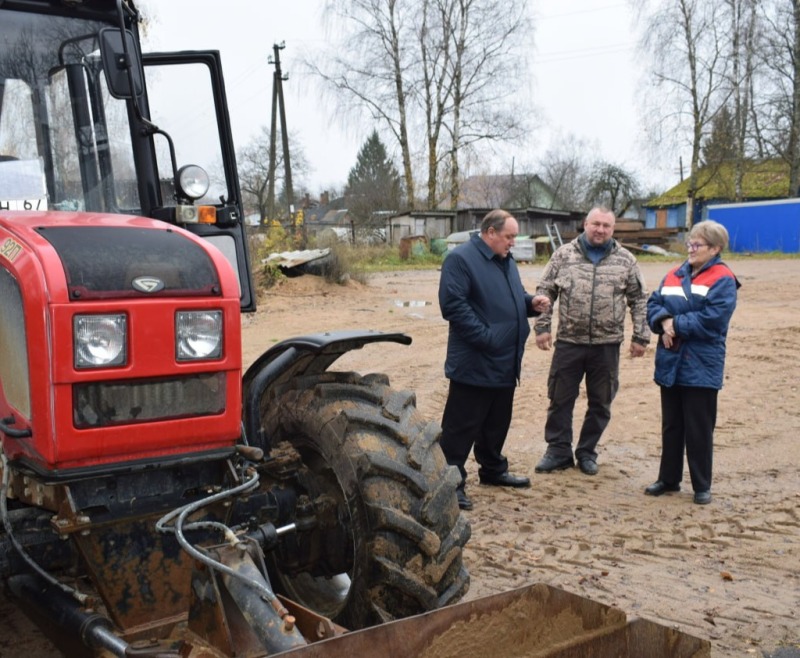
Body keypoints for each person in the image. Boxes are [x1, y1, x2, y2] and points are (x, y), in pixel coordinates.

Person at [439, 209, 550, 510]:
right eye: (509, 236)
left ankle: (492, 470)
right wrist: (486, 338)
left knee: (496, 423)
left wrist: (531, 303)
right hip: (474, 362)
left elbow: (511, 298)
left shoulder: (505, 260)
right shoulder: (461, 260)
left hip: (505, 360)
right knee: (461, 428)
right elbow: (453, 306)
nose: (513, 242)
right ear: (490, 232)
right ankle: (450, 484)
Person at [533, 206, 650, 476]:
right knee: (560, 399)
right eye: (596, 224)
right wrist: (542, 326)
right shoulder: (563, 255)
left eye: (606, 226)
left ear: (613, 229)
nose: (600, 230)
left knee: (601, 402)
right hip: (569, 342)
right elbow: (545, 291)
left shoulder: (626, 260)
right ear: (585, 224)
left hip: (607, 345)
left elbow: (639, 299)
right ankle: (558, 451)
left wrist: (641, 336)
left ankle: (587, 451)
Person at [644, 220, 739, 505]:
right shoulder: (674, 274)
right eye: (690, 243)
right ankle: (669, 479)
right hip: (671, 360)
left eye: (697, 245)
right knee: (671, 425)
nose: (691, 249)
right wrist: (663, 321)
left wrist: (674, 325)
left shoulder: (723, 279)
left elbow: (713, 320)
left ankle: (701, 485)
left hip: (701, 363)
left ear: (715, 249)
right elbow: (654, 303)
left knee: (699, 428)